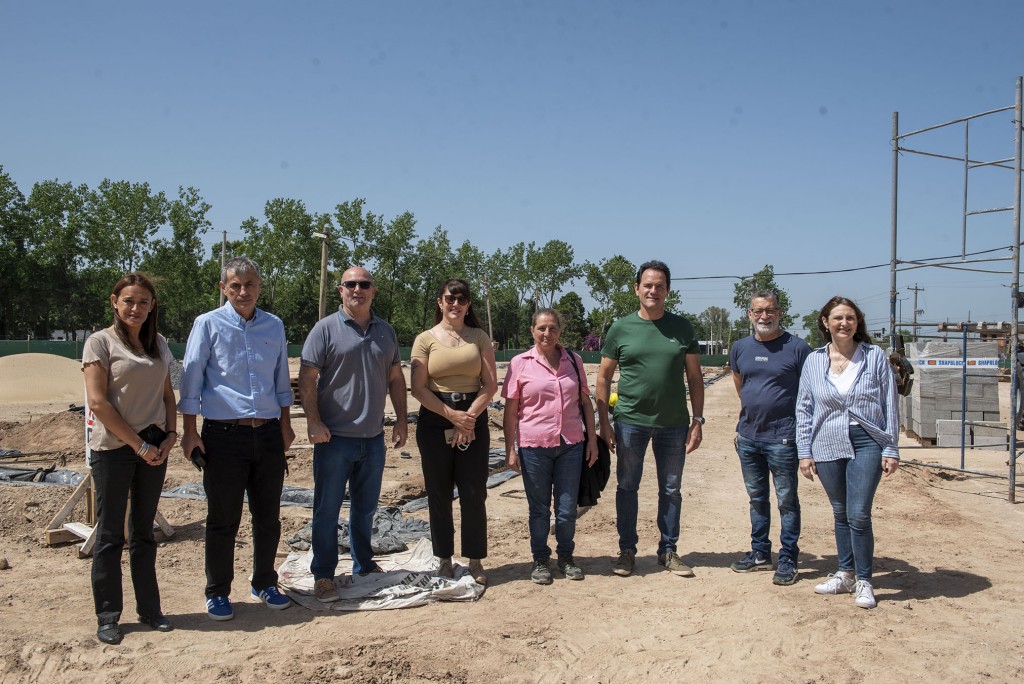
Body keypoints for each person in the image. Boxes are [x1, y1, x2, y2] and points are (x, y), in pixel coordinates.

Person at [179, 256, 295, 621]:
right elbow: (192, 379)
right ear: (223, 288)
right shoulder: (208, 324)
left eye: (250, 285)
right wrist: (189, 431)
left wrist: (286, 424)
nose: (243, 291)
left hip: (268, 433)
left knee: (268, 517)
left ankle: (264, 582)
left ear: (260, 287)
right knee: (223, 518)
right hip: (224, 436)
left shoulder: (274, 326)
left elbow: (281, 379)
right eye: (236, 285)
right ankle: (217, 591)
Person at [298, 266, 408, 603]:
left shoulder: (385, 331)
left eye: (364, 284)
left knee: (365, 508)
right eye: (350, 284)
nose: (357, 289)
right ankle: (323, 574)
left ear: (373, 290)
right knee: (327, 509)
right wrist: (313, 422)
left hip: (373, 439)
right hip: (334, 440)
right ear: (340, 290)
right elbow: (307, 378)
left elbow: (395, 379)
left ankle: (364, 563)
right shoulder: (325, 329)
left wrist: (402, 420)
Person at [82, 273, 177, 644]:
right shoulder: (100, 342)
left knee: (143, 532)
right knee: (110, 534)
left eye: (143, 302)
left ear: (152, 306)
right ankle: (108, 616)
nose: (135, 308)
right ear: (114, 302)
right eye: (129, 301)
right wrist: (138, 445)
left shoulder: (159, 344)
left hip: (154, 446)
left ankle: (150, 610)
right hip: (115, 448)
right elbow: (98, 402)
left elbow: (168, 395)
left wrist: (170, 435)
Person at [596, 260, 704, 578]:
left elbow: (695, 378)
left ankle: (668, 551)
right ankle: (627, 551)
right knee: (627, 486)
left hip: (674, 423)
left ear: (668, 291)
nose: (653, 290)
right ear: (636, 289)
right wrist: (605, 423)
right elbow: (603, 377)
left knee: (671, 489)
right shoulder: (621, 328)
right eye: (648, 285)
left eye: (659, 286)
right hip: (630, 422)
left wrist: (698, 420)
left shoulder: (683, 328)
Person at [796, 296, 900, 609]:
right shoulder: (814, 360)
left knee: (858, 513)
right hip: (827, 442)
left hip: (867, 440)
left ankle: (864, 580)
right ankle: (845, 574)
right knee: (840, 512)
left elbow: (889, 403)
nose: (844, 323)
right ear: (825, 322)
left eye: (850, 318)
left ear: (857, 323)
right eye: (838, 318)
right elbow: (804, 408)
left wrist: (891, 446)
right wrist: (804, 451)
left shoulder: (874, 356)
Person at [410, 279, 498, 584]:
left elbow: (490, 385)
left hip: (473, 418)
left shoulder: (479, 338)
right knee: (439, 492)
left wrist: (468, 418)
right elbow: (418, 388)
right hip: (436, 419)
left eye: (461, 299)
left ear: (468, 304)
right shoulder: (425, 340)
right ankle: (444, 559)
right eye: (450, 298)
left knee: (474, 492)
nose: (455, 304)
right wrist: (451, 416)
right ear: (440, 301)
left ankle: (475, 559)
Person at [502, 309, 598, 584]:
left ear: (559, 331)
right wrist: (511, 449)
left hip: (570, 445)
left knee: (566, 510)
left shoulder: (574, 361)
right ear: (532, 331)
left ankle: (566, 557)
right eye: (541, 328)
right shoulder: (520, 363)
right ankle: (541, 559)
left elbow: (585, 403)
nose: (547, 333)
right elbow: (511, 411)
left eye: (552, 328)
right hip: (534, 446)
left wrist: (592, 439)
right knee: (539, 509)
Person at [728, 290, 810, 586]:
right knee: (757, 498)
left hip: (783, 439)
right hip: (749, 438)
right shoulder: (740, 348)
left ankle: (788, 557)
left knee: (787, 500)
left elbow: (809, 392)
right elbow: (741, 385)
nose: (765, 316)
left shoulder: (798, 348)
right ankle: (761, 553)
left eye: (770, 310)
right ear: (750, 314)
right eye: (758, 311)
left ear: (779, 313)